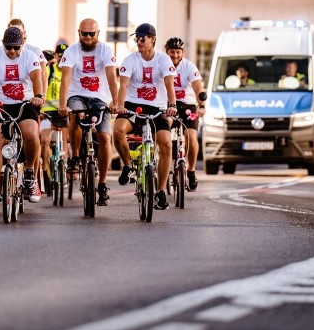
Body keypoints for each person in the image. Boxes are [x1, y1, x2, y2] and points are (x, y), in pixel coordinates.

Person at [113, 23, 177, 211]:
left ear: (153, 40)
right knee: (117, 131)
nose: (139, 42)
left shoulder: (164, 60)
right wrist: (120, 106)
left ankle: (161, 191)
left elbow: (169, 85)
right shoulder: (130, 60)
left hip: (157, 108)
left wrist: (172, 106)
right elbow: (123, 86)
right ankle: (127, 165)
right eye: (137, 39)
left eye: (143, 38)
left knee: (166, 143)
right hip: (133, 106)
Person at [0, 27, 44, 203]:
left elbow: (37, 78)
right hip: (1, 104)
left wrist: (38, 96)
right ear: (3, 45)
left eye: (16, 47)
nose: (12, 51)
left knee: (31, 133)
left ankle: (30, 171)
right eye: (9, 48)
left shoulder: (30, 56)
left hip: (25, 104)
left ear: (22, 45)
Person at [58, 19, 119, 206]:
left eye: (92, 34)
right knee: (75, 115)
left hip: (101, 97)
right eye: (84, 34)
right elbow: (66, 78)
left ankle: (102, 184)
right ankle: (75, 157)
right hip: (77, 95)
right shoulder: (71, 52)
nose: (88, 37)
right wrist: (62, 104)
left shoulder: (106, 51)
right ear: (79, 34)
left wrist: (116, 102)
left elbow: (111, 76)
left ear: (98, 34)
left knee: (105, 137)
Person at [164, 37, 206, 192]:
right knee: (163, 131)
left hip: (188, 106)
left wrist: (201, 105)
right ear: (166, 52)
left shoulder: (189, 66)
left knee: (191, 136)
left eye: (177, 52)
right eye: (171, 52)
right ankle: (162, 161)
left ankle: (192, 171)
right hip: (169, 106)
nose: (174, 55)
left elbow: (197, 88)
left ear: (182, 53)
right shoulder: (161, 65)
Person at [39, 44, 69, 192]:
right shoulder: (49, 70)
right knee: (44, 141)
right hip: (47, 111)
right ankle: (45, 171)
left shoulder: (71, 72)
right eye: (59, 55)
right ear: (56, 56)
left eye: (65, 55)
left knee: (65, 141)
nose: (62, 58)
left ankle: (66, 168)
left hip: (64, 111)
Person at [8, 18, 48, 97]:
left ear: (24, 33)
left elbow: (43, 73)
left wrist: (42, 96)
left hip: (28, 99)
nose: (15, 35)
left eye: (18, 32)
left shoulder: (35, 51)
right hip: (5, 98)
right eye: (12, 32)